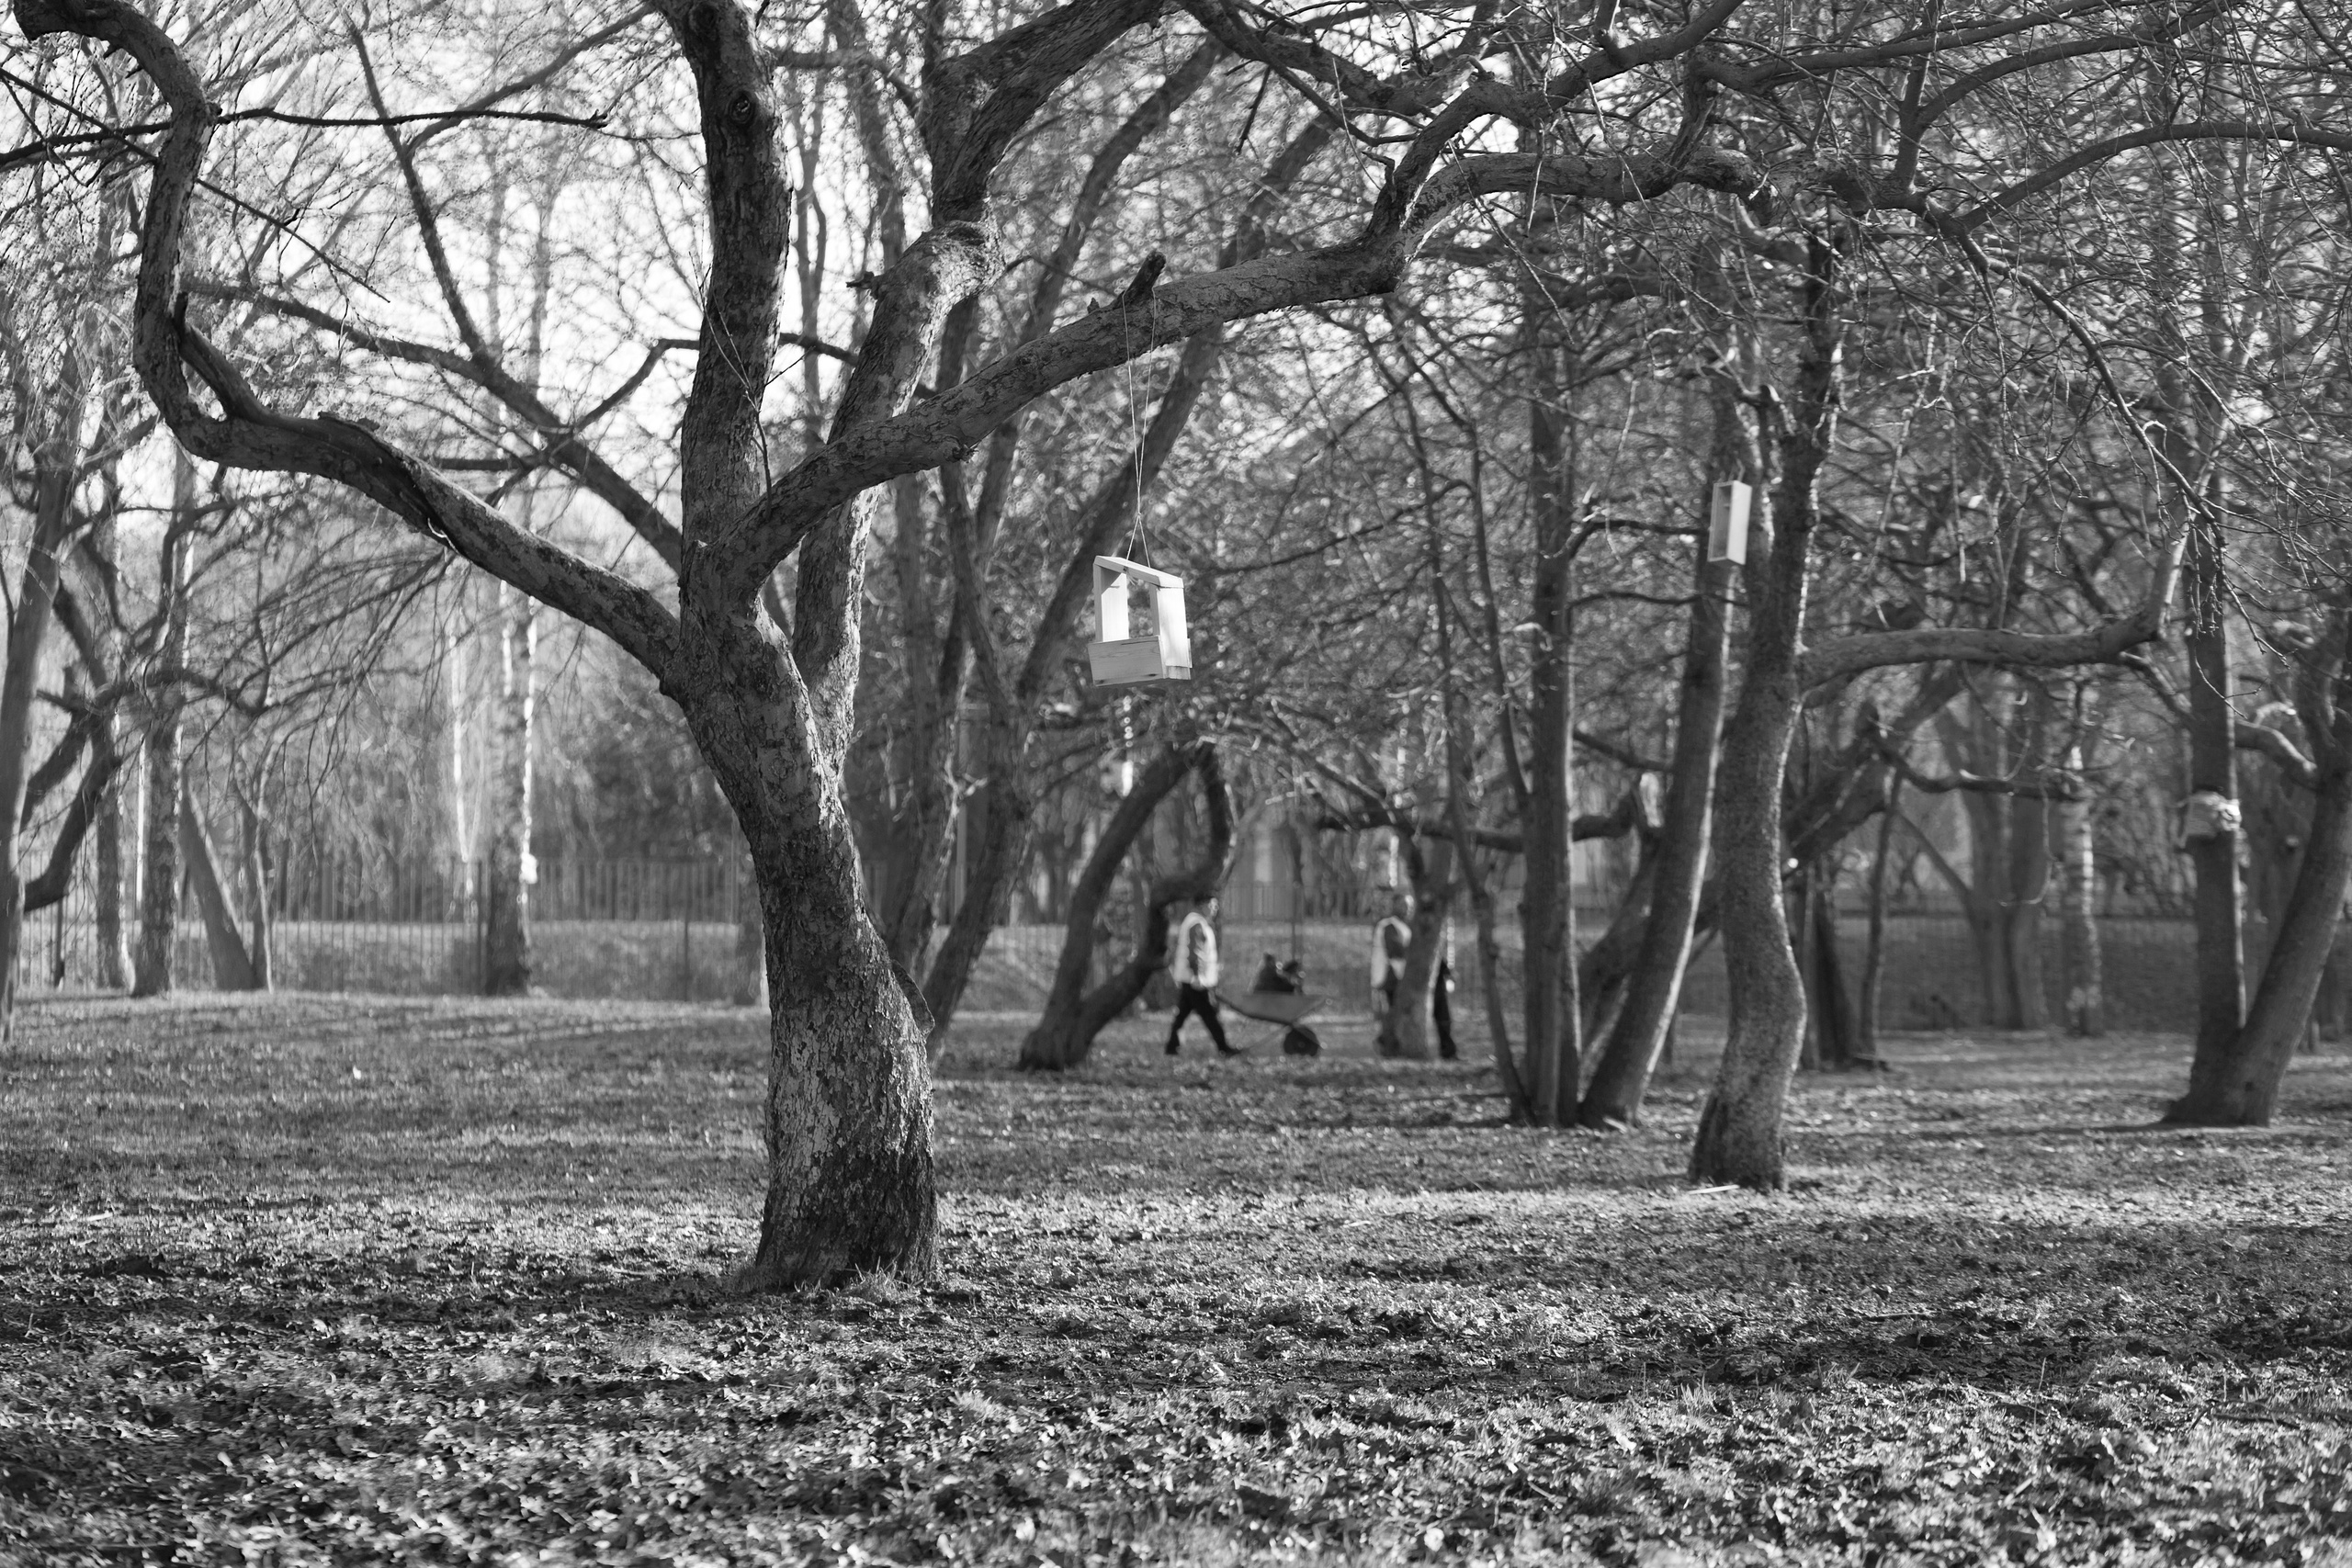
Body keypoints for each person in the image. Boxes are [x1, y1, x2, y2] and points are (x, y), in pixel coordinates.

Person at [1369, 893, 1458, 1059]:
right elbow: (1396, 953)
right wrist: (1412, 969)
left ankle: (1446, 1049)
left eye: (1409, 905)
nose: (1407, 909)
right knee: (1397, 1014)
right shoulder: (1388, 925)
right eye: (1403, 905)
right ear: (1394, 906)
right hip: (1393, 979)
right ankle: (1385, 1044)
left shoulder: (1410, 926)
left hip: (1409, 978)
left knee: (1404, 1014)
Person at [1165, 896, 1238, 1056]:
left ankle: (1171, 1047)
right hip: (1195, 980)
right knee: (1209, 1015)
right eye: (1212, 905)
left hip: (1190, 978)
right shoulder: (1196, 924)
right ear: (1202, 905)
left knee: (1182, 1015)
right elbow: (1194, 951)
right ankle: (1224, 1047)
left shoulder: (1197, 922)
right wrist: (1197, 976)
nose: (1215, 909)